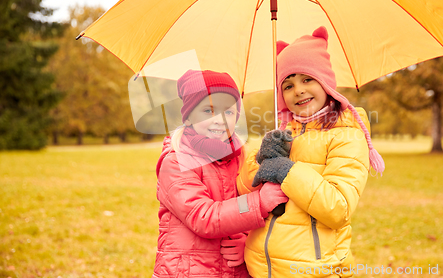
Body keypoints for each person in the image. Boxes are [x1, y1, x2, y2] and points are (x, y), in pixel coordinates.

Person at [237, 27, 385, 278]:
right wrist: (261, 159)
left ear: (326, 82)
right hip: (261, 269)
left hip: (313, 270)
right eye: (288, 84)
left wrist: (287, 171)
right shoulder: (283, 133)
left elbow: (338, 209)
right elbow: (242, 195)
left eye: (307, 79)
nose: (298, 90)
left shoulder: (346, 134)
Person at [153, 69, 289, 278]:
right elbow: (203, 216)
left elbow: (250, 207)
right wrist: (258, 203)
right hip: (190, 271)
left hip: (234, 270)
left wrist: (247, 241)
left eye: (228, 112)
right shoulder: (177, 160)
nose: (220, 120)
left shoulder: (241, 156)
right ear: (188, 117)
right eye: (208, 111)